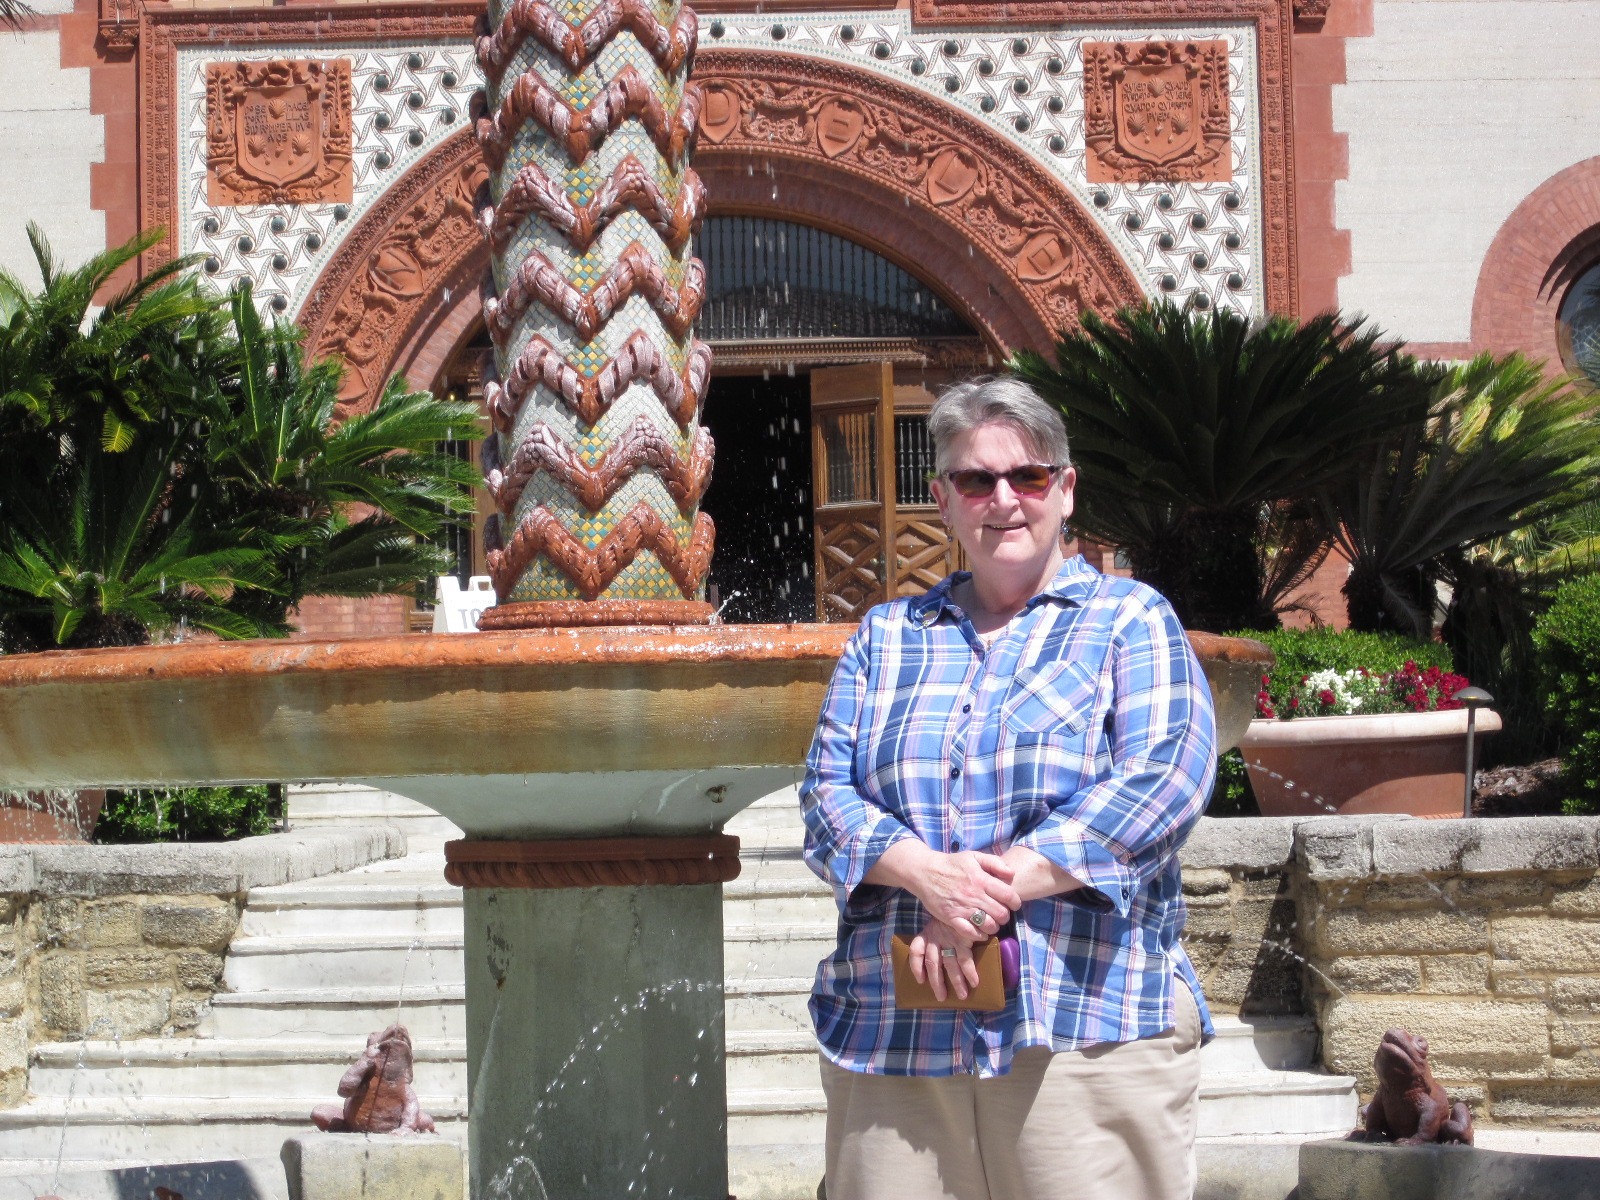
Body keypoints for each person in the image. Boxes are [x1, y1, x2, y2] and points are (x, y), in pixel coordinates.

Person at [799, 376, 1217, 1200]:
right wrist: (924, 874)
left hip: (1084, 1027)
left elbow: (1166, 778)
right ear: (943, 501)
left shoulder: (1129, 621)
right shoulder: (886, 638)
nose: (1004, 500)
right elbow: (823, 798)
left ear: (1064, 490)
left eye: (1027, 477)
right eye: (975, 480)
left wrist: (987, 893)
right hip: (897, 1033)